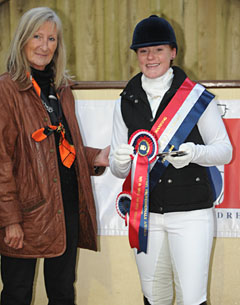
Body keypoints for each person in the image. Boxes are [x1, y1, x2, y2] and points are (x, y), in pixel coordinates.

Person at [109, 15, 232, 305]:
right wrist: (120, 161)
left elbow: (225, 151)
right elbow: (117, 170)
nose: (151, 57)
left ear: (173, 52)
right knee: (154, 297)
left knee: (192, 298)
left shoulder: (197, 98)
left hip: (191, 213)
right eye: (143, 51)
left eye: (158, 49)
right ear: (137, 56)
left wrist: (195, 154)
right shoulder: (124, 100)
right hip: (146, 215)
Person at [0, 6, 109, 305]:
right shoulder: (6, 89)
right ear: (22, 40)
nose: (44, 46)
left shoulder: (62, 89)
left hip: (66, 207)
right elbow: (2, 161)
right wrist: (10, 220)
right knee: (16, 294)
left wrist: (95, 157)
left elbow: (61, 147)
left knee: (63, 292)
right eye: (37, 36)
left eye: (52, 39)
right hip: (26, 213)